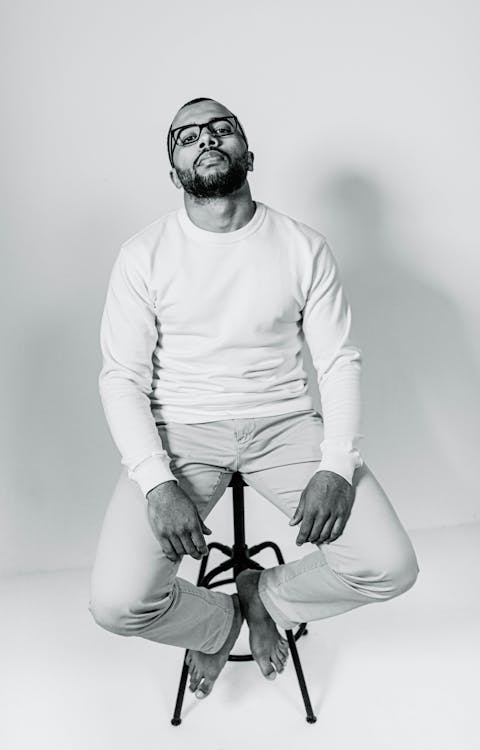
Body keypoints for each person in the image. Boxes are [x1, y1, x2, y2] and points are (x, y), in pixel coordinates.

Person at [89, 97, 419, 702]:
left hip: (285, 423)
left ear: (247, 150)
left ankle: (264, 594)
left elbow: (338, 360)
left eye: (221, 129)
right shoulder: (144, 254)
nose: (206, 139)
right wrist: (158, 484)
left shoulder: (302, 245)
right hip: (180, 431)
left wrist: (336, 466)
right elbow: (122, 379)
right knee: (116, 604)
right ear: (174, 171)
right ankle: (217, 623)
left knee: (391, 567)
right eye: (187, 137)